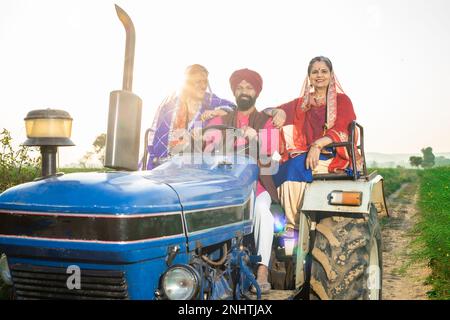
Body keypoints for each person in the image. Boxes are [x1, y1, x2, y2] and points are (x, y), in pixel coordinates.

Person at [206, 69, 279, 294]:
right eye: (240, 87)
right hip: (225, 186)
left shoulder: (266, 122)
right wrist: (203, 140)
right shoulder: (220, 119)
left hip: (256, 185)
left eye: (249, 87)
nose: (244, 91)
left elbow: (271, 156)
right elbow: (206, 147)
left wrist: (256, 138)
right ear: (234, 91)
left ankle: (263, 269)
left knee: (261, 210)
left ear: (256, 92)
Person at [273, 56, 362, 236]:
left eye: (324, 71)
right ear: (309, 76)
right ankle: (286, 223)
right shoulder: (303, 103)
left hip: (334, 154)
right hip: (308, 154)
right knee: (277, 171)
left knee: (294, 167)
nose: (319, 75)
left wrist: (317, 145)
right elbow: (268, 111)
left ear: (331, 75)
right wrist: (277, 112)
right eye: (315, 71)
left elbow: (342, 125)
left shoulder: (342, 100)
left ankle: (293, 227)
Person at [145, 64, 236, 169]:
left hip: (195, 171)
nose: (203, 86)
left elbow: (233, 107)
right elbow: (155, 142)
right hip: (164, 168)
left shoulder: (209, 100)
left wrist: (218, 111)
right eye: (198, 82)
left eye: (205, 82)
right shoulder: (169, 107)